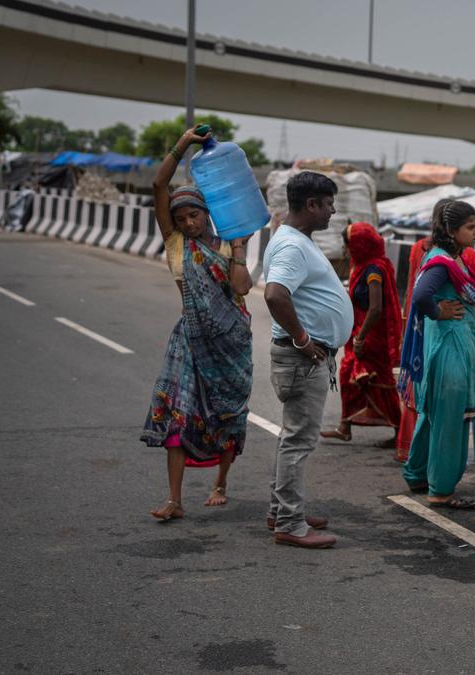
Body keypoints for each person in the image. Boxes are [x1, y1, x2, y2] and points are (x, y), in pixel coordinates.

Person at [140, 126, 254, 522]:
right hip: (190, 342)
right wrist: (184, 142)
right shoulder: (175, 245)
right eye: (182, 217)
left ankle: (220, 482)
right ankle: (174, 499)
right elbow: (159, 184)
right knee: (177, 415)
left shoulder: (228, 243)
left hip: (232, 345)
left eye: (195, 215)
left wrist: (239, 247)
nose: (188, 223)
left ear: (208, 213)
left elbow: (241, 287)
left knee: (228, 415)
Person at [262, 171, 353, 549]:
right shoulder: (292, 247)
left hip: (306, 358)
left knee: (292, 438)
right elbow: (274, 294)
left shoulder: (296, 239)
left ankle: (281, 509)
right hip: (302, 359)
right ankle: (290, 523)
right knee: (298, 442)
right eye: (329, 203)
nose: (333, 211)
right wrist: (302, 338)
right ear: (312, 204)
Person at [399, 200, 475, 508]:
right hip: (449, 350)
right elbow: (421, 296)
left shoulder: (451, 258)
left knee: (433, 414)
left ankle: (418, 474)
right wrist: (438, 312)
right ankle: (442, 490)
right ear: (451, 230)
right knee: (450, 419)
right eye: (470, 227)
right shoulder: (442, 261)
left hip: (449, 346)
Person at [320, 222, 404, 447]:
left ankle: (399, 431)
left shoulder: (374, 269)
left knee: (378, 380)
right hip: (361, 330)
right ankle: (345, 426)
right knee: (351, 376)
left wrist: (361, 337)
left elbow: (376, 308)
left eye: (348, 244)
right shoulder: (362, 265)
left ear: (360, 244)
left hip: (371, 334)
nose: (346, 249)